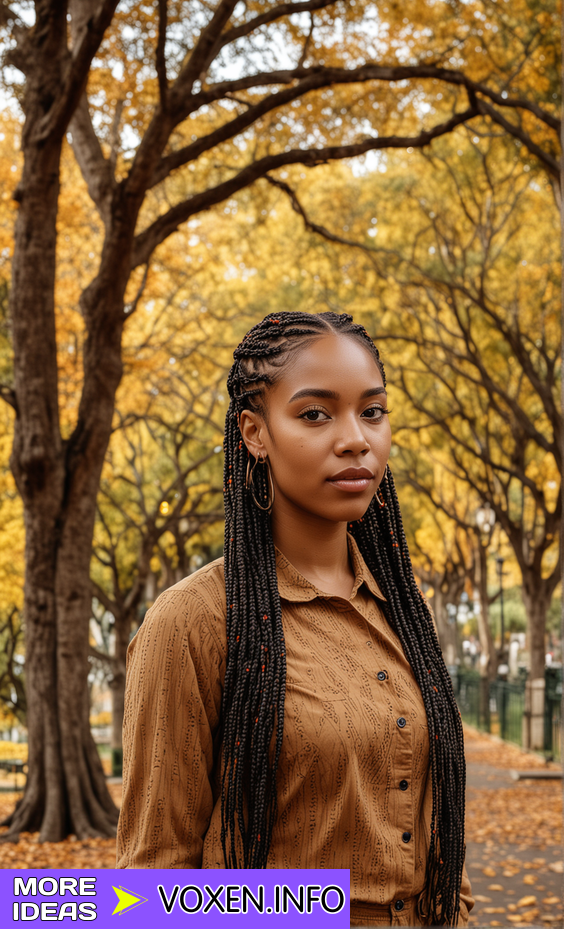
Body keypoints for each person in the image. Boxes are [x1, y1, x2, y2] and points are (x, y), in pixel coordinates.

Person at [116, 311, 474, 927]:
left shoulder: (403, 611)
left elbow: (440, 851)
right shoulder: (195, 620)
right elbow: (151, 880)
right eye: (315, 414)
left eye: (372, 411)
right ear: (255, 432)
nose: (355, 438)